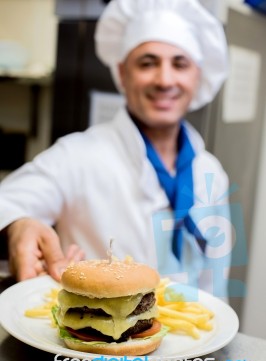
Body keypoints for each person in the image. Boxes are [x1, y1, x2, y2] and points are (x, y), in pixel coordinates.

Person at [0, 0, 231, 299]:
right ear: (122, 73)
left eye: (180, 63)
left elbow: (216, 284)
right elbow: (8, 203)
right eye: (147, 63)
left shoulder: (211, 172)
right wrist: (18, 226)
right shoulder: (78, 155)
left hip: (193, 342)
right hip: (94, 339)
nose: (164, 80)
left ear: (196, 75)